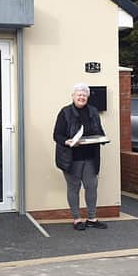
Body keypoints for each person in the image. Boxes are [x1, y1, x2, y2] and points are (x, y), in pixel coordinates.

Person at [53, 83, 108, 231]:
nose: (82, 97)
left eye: (84, 95)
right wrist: (67, 141)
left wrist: (102, 139)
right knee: (74, 188)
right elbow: (57, 135)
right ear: (73, 96)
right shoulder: (65, 112)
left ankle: (92, 218)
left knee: (92, 187)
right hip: (71, 158)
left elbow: (100, 131)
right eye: (79, 94)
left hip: (90, 157)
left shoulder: (93, 111)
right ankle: (77, 219)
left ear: (87, 97)